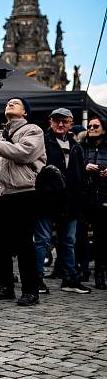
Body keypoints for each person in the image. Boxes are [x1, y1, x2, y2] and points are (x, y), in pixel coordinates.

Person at [0, 97, 45, 306]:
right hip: (0, 193)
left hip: (24, 192)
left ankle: (30, 290)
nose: (10, 104)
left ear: (25, 111)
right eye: (8, 102)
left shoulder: (33, 130)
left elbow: (24, 153)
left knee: (24, 242)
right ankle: (4, 286)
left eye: (16, 103)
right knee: (0, 243)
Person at [34, 108, 89, 294]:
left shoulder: (75, 145)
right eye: (57, 120)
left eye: (64, 121)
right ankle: (37, 279)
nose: (60, 124)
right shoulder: (43, 142)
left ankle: (69, 279)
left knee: (68, 242)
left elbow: (79, 175)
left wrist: (80, 198)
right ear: (50, 122)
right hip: (46, 200)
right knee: (42, 240)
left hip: (70, 202)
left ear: (70, 124)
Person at [80, 116, 107, 290]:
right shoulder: (82, 146)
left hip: (103, 196)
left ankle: (100, 273)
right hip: (84, 196)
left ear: (103, 129)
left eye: (95, 126)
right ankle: (82, 269)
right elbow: (74, 165)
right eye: (89, 125)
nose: (91, 128)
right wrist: (85, 167)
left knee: (101, 237)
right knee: (79, 235)